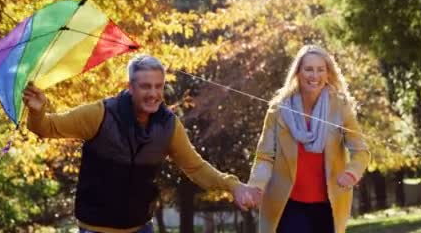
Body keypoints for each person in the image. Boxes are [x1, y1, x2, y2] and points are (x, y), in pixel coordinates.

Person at [23, 54, 256, 233]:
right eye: (146, 86)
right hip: (96, 228)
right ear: (130, 87)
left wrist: (233, 186)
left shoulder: (168, 125)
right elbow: (46, 127)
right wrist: (37, 111)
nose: (153, 94)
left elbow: (195, 167)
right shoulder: (100, 114)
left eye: (158, 86)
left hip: (140, 227)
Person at [246, 45, 370, 233]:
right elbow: (265, 157)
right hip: (287, 204)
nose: (314, 76)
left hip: (329, 204)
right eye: (308, 69)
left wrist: (351, 173)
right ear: (298, 72)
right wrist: (255, 186)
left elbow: (361, 151)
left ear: (328, 73)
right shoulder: (279, 109)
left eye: (321, 70)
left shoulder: (340, 107)